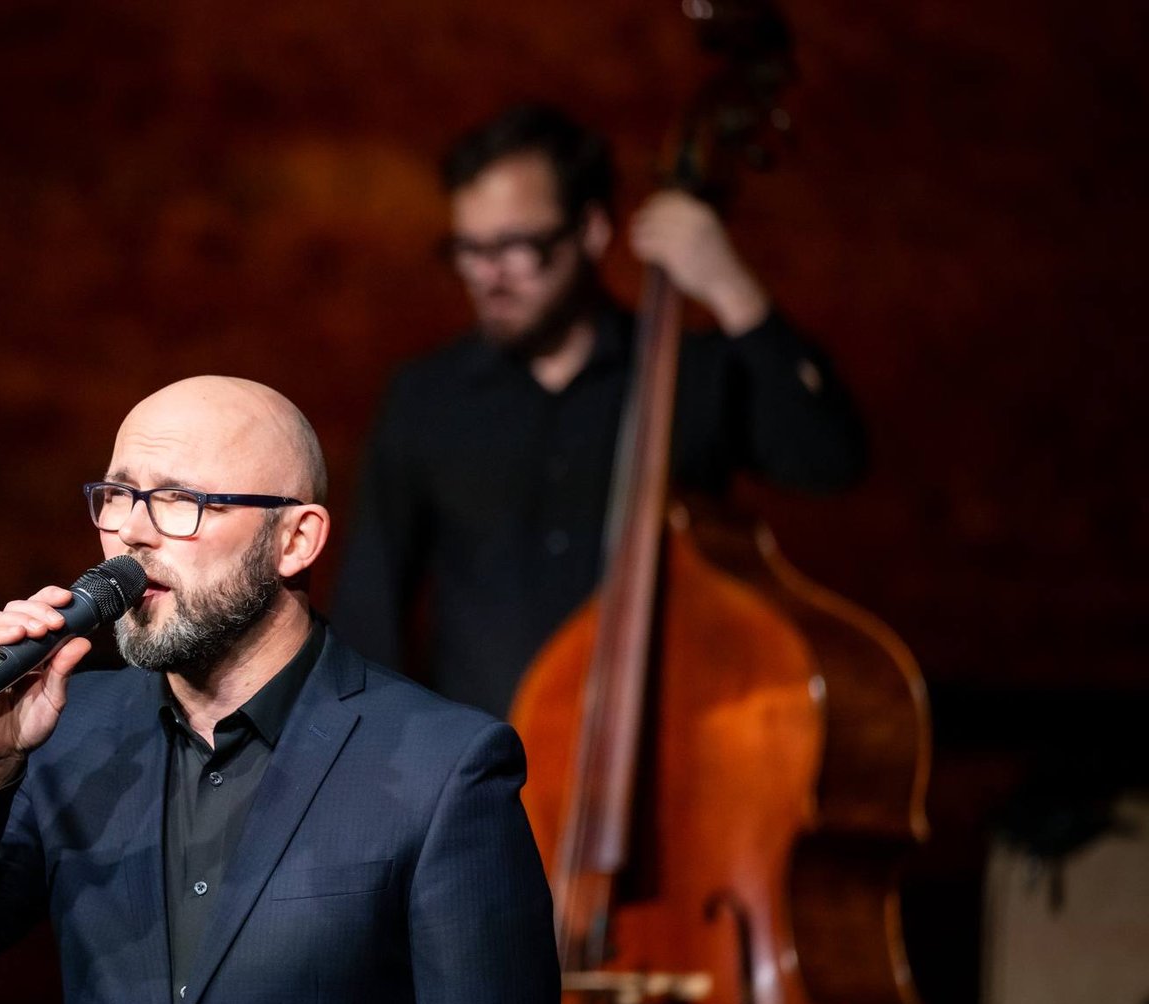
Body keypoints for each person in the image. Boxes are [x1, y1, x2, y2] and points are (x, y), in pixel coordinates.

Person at [0, 375, 562, 1004]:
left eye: (179, 500)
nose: (132, 533)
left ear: (295, 539)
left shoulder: (442, 768)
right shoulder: (72, 729)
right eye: (118, 495)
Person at [330, 101, 870, 720]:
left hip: (662, 746)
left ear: (590, 229)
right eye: (469, 249)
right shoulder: (427, 396)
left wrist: (732, 287)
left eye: (517, 247)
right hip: (480, 766)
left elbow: (829, 458)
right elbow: (370, 602)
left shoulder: (687, 374)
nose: (488, 276)